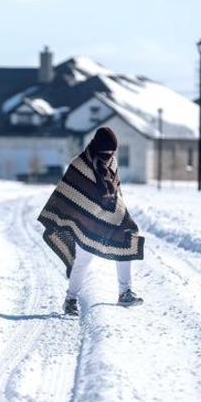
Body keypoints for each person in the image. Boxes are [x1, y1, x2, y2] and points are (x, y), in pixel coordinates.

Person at [38, 127, 144, 316]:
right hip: (87, 221)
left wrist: (119, 211)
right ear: (97, 147)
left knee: (126, 243)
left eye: (112, 151)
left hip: (111, 217)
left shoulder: (112, 162)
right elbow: (68, 192)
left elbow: (117, 190)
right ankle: (70, 299)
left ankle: (125, 292)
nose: (109, 155)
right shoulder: (79, 164)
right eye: (106, 151)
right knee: (83, 261)